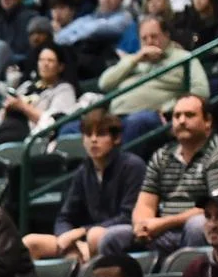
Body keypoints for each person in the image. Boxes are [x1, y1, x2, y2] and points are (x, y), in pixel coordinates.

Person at [101, 95, 218, 258]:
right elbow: (145, 202)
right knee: (112, 238)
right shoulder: (162, 155)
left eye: (189, 115)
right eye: (177, 115)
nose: (181, 121)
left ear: (207, 121)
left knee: (198, 225)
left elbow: (216, 208)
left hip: (195, 228)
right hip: (162, 232)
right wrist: (142, 225)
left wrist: (163, 223)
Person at [26, 108, 144, 262]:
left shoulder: (133, 166)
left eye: (101, 134)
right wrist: (68, 240)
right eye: (88, 135)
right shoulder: (83, 171)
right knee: (30, 242)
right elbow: (65, 217)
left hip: (121, 236)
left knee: (96, 235)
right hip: (86, 238)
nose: (93, 140)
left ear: (116, 139)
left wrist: (82, 232)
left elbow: (128, 216)